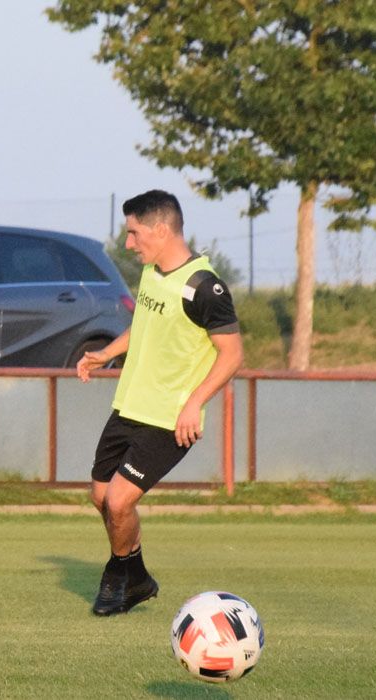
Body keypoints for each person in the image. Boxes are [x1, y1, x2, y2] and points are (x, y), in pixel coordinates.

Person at [76, 190, 243, 616]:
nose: (129, 244)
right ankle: (138, 578)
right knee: (100, 497)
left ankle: (118, 575)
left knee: (119, 502)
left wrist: (195, 403)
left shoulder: (204, 287)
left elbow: (233, 354)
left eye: (133, 233)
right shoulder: (153, 273)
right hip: (129, 405)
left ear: (161, 229)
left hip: (170, 420)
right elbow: (144, 326)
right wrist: (108, 352)